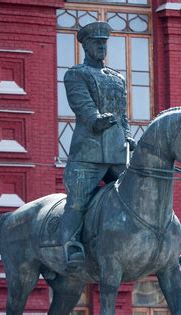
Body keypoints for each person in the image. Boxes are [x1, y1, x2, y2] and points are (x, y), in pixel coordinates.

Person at [61, 21, 136, 269]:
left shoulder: (117, 78)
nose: (102, 46)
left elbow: (122, 114)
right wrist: (95, 120)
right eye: (97, 42)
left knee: (143, 191)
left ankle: (168, 246)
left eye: (105, 42)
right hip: (88, 154)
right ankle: (71, 246)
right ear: (86, 46)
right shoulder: (76, 74)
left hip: (116, 154)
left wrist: (127, 136)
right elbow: (83, 106)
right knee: (78, 200)